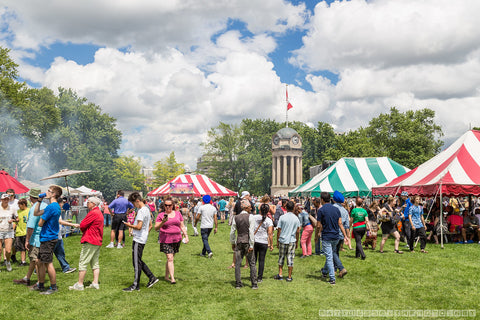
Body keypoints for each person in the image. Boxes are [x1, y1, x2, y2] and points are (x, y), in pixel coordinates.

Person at [122, 192, 159, 291]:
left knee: (136, 263)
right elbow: (150, 224)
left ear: (137, 201)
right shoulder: (147, 209)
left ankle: (135, 285)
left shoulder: (142, 211)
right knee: (137, 260)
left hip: (138, 239)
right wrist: (145, 234)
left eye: (134, 203)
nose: (134, 206)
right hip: (142, 238)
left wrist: (128, 225)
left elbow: (138, 226)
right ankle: (152, 277)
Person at [69, 197, 104, 291]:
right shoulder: (98, 212)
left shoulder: (93, 212)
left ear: (93, 204)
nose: (87, 204)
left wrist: (81, 227)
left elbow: (83, 224)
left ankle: (80, 284)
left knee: (83, 262)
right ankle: (95, 283)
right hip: (97, 240)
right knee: (95, 263)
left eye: (88, 202)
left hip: (90, 239)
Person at [13, 188, 46, 286]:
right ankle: (27, 278)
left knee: (37, 260)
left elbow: (31, 226)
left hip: (36, 238)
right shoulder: (46, 205)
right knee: (33, 259)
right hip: (45, 236)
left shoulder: (34, 208)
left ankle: (39, 282)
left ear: (31, 197)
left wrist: (27, 240)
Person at [34, 185, 63, 294]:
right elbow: (36, 213)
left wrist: (42, 219)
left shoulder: (51, 207)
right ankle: (41, 285)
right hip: (48, 237)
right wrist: (39, 201)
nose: (46, 192)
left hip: (48, 238)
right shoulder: (54, 206)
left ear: (54, 194)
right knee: (39, 261)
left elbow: (40, 223)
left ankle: (53, 287)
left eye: (48, 191)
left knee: (48, 263)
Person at [317, 192, 350, 285]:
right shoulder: (337, 210)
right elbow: (340, 223)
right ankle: (324, 272)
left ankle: (332, 278)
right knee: (330, 254)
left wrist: (317, 235)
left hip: (327, 236)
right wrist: (345, 236)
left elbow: (318, 225)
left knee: (329, 256)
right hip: (336, 236)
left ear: (322, 200)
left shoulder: (321, 210)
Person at [155, 197, 189, 284]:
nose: (167, 207)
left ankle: (166, 276)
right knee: (170, 258)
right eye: (166, 205)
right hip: (165, 239)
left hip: (176, 239)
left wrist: (186, 236)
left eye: (169, 205)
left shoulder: (178, 214)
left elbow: (182, 226)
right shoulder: (161, 215)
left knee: (171, 258)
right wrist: (163, 222)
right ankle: (172, 278)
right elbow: (156, 228)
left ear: (172, 205)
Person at [230, 199, 258, 289]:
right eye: (250, 207)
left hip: (239, 241)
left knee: (238, 263)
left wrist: (232, 242)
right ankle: (254, 284)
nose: (251, 208)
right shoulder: (251, 217)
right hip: (247, 241)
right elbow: (251, 232)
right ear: (246, 208)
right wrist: (251, 244)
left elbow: (232, 232)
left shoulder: (236, 217)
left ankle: (238, 283)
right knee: (252, 263)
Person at [274, 200, 300, 282]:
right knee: (290, 258)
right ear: (293, 208)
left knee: (281, 257)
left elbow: (279, 230)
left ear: (285, 207)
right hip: (292, 240)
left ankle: (280, 274)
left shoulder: (282, 217)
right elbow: (298, 231)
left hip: (282, 239)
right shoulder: (296, 218)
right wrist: (297, 242)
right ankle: (289, 276)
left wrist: (277, 241)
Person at [253, 203, 273, 283]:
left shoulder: (254, 217)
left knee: (253, 260)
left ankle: (253, 275)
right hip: (263, 241)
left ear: (260, 210)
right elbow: (270, 234)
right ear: (268, 211)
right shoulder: (269, 220)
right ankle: (259, 277)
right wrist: (271, 244)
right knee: (261, 260)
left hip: (254, 240)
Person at [332, 191, 350, 275]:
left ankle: (341, 267)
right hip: (341, 234)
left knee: (332, 252)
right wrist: (347, 236)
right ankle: (335, 269)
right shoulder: (345, 211)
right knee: (336, 251)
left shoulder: (332, 208)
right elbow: (347, 225)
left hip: (333, 233)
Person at [0, 193, 18, 271]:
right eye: (4, 199)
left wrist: (13, 220)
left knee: (8, 250)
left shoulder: (12, 208)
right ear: (1, 200)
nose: (6, 200)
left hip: (9, 231)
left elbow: (17, 219)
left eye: (7, 199)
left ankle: (7, 261)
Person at [15, 198, 29, 266]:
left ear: (23, 204)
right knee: (21, 248)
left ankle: (34, 261)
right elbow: (15, 221)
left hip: (27, 232)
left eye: (19, 205)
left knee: (29, 248)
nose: (19, 206)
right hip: (19, 232)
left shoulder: (29, 211)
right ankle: (23, 261)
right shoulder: (18, 212)